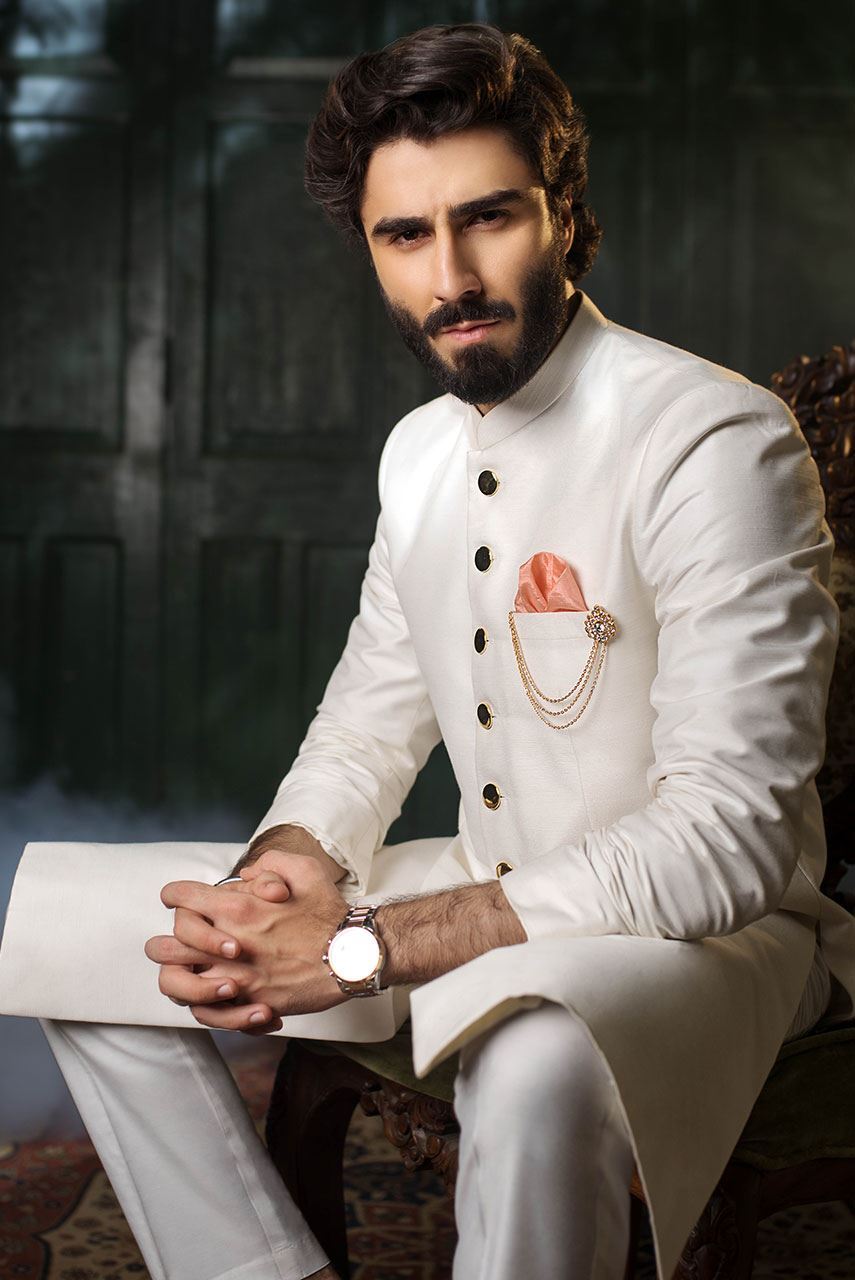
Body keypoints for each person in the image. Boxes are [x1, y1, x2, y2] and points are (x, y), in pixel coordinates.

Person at [2, 20, 855, 1280]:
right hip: (483, 877)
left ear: (565, 210)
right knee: (73, 929)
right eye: (405, 235)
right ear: (370, 248)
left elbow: (729, 835)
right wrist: (286, 874)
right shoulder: (416, 457)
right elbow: (367, 721)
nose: (449, 274)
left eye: (488, 218)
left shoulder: (714, 439)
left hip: (713, 940)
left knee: (533, 1053)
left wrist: (363, 942)